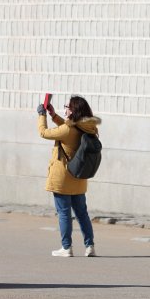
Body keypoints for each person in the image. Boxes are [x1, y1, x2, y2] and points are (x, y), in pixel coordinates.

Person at [37, 95, 101, 257]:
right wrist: (53, 115)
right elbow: (68, 129)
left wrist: (42, 115)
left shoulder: (68, 129)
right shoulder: (88, 127)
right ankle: (90, 246)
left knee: (64, 212)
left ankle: (66, 247)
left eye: (67, 106)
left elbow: (44, 133)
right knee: (82, 213)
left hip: (63, 177)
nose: (64, 109)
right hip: (79, 176)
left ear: (73, 111)